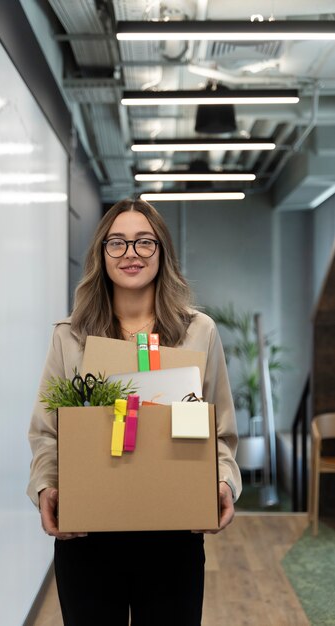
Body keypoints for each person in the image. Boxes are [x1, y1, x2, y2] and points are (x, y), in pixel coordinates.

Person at [27, 198, 242, 626]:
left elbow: (221, 430)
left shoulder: (198, 332)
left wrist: (223, 481)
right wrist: (45, 488)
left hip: (172, 533)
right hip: (88, 535)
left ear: (162, 253)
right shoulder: (70, 338)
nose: (131, 254)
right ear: (100, 254)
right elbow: (46, 433)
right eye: (117, 243)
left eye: (144, 242)